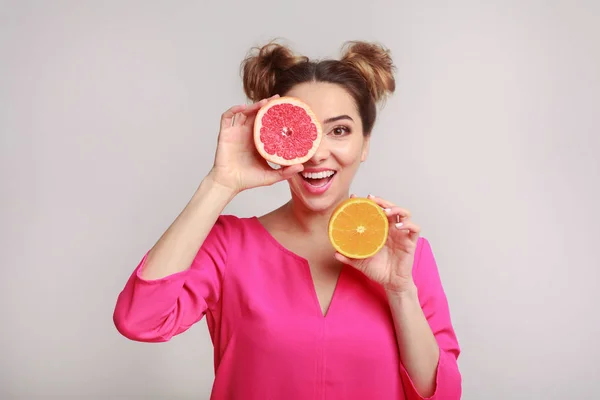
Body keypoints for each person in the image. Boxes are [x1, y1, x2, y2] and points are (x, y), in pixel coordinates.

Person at [113, 40, 462, 400]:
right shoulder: (229, 246)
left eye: (339, 130)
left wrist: (400, 291)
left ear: (365, 143)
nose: (317, 154)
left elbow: (441, 395)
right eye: (300, 131)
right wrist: (220, 183)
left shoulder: (405, 256)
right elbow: (140, 320)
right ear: (272, 139)